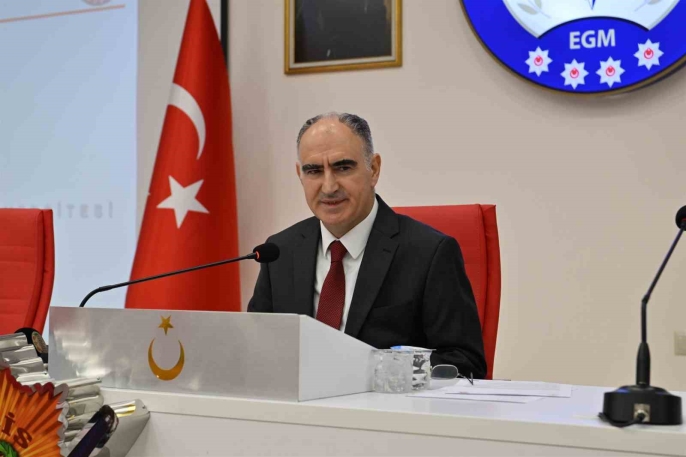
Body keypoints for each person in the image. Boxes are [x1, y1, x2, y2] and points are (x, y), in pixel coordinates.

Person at [248, 113, 486, 378]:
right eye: (314, 171)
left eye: (343, 168)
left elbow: (464, 363)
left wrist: (372, 371)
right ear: (300, 175)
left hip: (386, 403)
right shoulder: (279, 252)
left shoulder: (429, 253)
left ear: (373, 169)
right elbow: (256, 352)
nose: (329, 186)